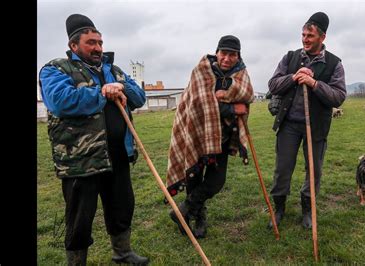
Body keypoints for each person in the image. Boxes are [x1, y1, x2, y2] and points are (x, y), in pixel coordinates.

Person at [39, 14, 149, 265]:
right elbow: (60, 101)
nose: (98, 47)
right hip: (80, 159)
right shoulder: (55, 69)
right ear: (73, 46)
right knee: (80, 219)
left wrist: (119, 87)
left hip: (118, 154)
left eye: (99, 42)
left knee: (122, 207)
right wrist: (101, 92)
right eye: (91, 42)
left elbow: (139, 97)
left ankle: (122, 253)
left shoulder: (114, 69)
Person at [166, 35, 254, 239]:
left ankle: (182, 211)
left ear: (238, 56)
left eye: (232, 54)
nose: (227, 58)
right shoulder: (201, 72)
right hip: (197, 133)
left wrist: (226, 99)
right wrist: (232, 106)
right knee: (194, 178)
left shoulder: (241, 74)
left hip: (222, 138)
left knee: (216, 181)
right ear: (217, 53)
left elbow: (247, 94)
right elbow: (199, 105)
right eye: (224, 53)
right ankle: (198, 218)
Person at [267, 12, 346, 229]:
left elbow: (339, 96)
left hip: (316, 126)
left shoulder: (334, 64)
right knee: (282, 169)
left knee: (314, 170)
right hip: (289, 124)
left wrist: (313, 83)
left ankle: (308, 210)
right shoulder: (290, 57)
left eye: (310, 35)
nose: (305, 39)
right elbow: (273, 84)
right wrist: (293, 77)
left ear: (322, 37)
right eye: (303, 34)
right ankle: (279, 208)